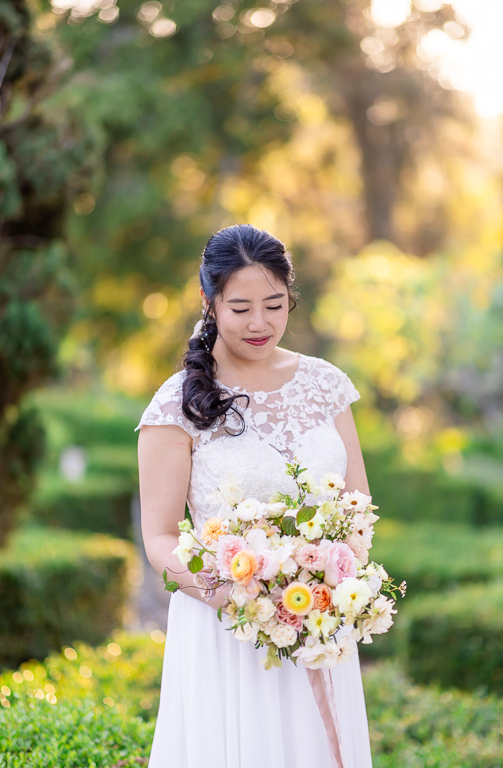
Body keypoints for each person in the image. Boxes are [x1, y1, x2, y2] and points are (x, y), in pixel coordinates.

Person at [136, 224, 373, 768]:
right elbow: (160, 538)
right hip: (226, 630)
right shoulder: (177, 405)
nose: (261, 323)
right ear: (209, 302)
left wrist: (334, 581)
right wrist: (244, 602)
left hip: (318, 622)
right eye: (241, 308)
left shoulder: (326, 384)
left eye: (275, 304)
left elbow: (359, 505)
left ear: (291, 297)